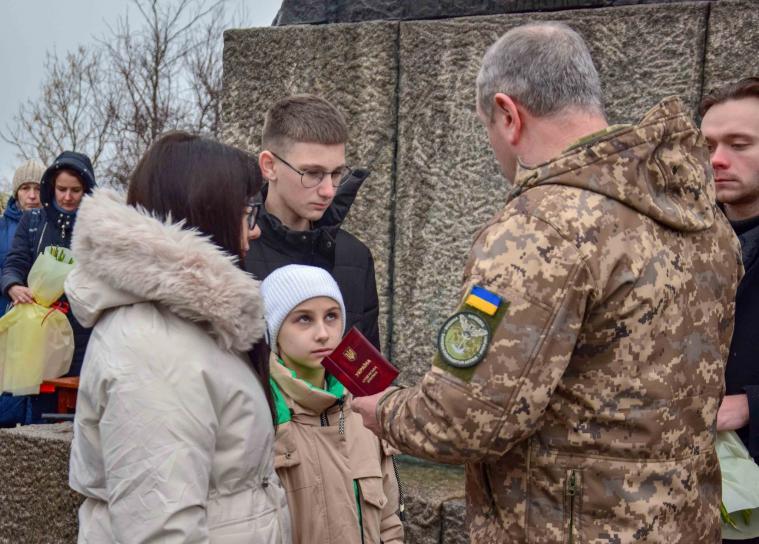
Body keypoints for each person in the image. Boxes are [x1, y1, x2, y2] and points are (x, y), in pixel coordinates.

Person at [352, 22, 742, 543]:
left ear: (509, 114)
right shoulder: (703, 220)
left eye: (488, 127)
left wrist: (387, 411)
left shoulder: (544, 226)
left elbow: (466, 418)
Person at [65, 131, 291, 543]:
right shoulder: (153, 344)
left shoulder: (185, 324)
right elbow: (161, 527)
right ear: (207, 212)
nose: (254, 230)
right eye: (246, 213)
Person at [260, 264, 402, 544]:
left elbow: (389, 520)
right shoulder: (262, 411)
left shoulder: (365, 407)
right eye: (303, 319)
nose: (323, 333)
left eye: (332, 316)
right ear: (273, 329)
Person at [245, 94, 382, 349]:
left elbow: (368, 379)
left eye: (337, 173)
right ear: (269, 166)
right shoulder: (231, 249)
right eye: (312, 173)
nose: (329, 190)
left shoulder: (355, 257)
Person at [701, 77, 759, 543]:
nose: (717, 159)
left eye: (740, 144)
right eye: (708, 145)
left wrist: (752, 405)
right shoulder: (680, 238)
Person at [1, 151, 96, 377]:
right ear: (52, 186)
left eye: (75, 191)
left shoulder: (97, 226)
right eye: (62, 189)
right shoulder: (33, 220)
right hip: (39, 329)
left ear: (87, 190)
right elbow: (15, 262)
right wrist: (12, 285)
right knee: (40, 400)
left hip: (84, 331)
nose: (67, 197)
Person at [0, 159, 44, 316]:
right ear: (16, 193)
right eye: (25, 188)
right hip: (5, 315)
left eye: (38, 189)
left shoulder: (55, 227)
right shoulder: (1, 227)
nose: (32, 195)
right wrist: (9, 286)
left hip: (44, 318)